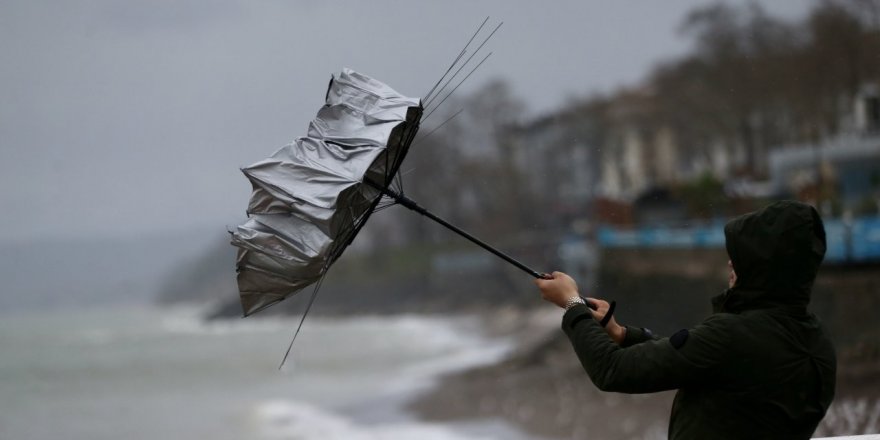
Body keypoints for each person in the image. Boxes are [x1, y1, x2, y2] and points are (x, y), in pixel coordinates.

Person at [535, 200, 836, 439]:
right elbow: (700, 362)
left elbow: (614, 370)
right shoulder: (817, 342)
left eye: (742, 256)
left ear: (766, 267)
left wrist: (572, 303)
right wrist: (622, 334)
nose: (731, 262)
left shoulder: (731, 336)